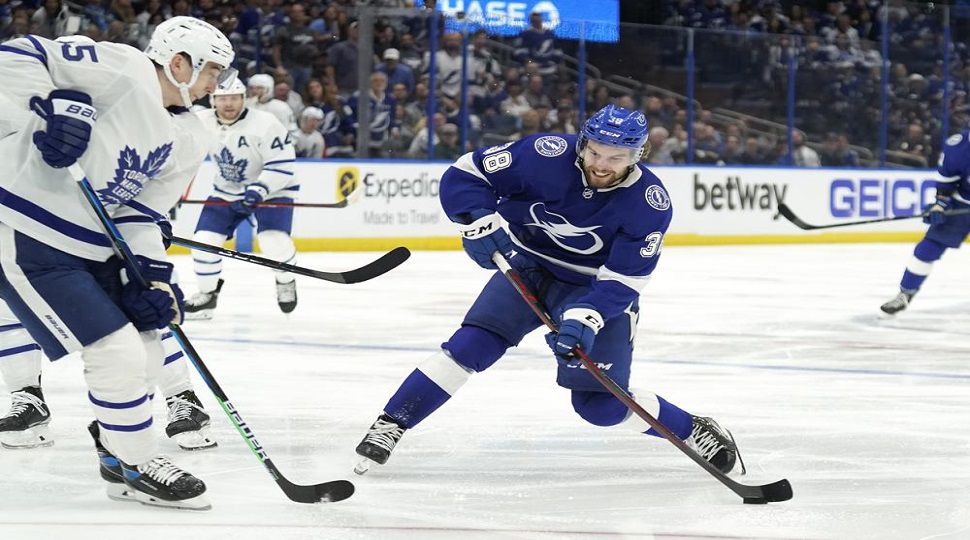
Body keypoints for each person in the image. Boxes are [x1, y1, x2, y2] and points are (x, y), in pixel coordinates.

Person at [353, 105, 741, 476]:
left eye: (617, 158)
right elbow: (468, 173)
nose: (601, 165)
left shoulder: (649, 203)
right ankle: (392, 424)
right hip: (528, 266)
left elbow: (626, 279)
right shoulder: (544, 154)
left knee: (599, 406)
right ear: (583, 143)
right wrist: (476, 221)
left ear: (639, 154)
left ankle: (692, 430)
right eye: (595, 152)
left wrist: (586, 316)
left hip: (592, 288)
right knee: (470, 346)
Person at [0, 16, 234, 509]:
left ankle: (115, 449)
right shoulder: (124, 68)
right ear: (179, 63)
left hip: (92, 247)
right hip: (24, 230)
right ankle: (136, 463)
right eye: (213, 70)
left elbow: (140, 212)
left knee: (149, 343)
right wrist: (56, 107)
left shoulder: (191, 132)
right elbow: (18, 56)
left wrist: (149, 277)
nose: (218, 83)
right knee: (116, 354)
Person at [184, 78, 299, 319]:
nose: (229, 104)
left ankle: (285, 279)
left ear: (244, 98)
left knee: (273, 241)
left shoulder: (266, 123)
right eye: (222, 98)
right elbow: (183, 156)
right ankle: (207, 295)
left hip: (273, 191)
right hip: (225, 190)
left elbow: (282, 163)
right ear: (213, 100)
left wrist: (260, 189)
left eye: (234, 98)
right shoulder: (201, 121)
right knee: (203, 242)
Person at [880, 131, 970, 315]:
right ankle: (905, 294)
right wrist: (940, 205)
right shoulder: (958, 147)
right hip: (963, 203)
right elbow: (946, 185)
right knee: (928, 248)